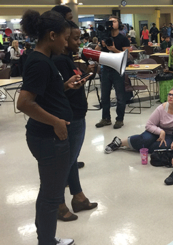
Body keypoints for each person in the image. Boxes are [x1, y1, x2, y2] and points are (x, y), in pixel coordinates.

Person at [17, 9, 83, 245]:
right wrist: (56, 122)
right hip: (48, 138)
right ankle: (46, 242)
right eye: (65, 38)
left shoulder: (43, 61)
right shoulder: (39, 63)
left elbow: (43, 95)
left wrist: (64, 86)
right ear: (52, 35)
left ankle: (47, 239)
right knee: (51, 195)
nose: (67, 43)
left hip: (48, 137)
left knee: (49, 191)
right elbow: (23, 103)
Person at [53, 20, 97, 222]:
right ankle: (58, 203)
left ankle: (78, 197)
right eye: (76, 38)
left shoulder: (67, 59)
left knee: (70, 161)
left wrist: (85, 74)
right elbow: (61, 90)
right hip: (72, 116)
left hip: (76, 114)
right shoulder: (61, 60)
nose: (79, 42)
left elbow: (71, 83)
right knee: (66, 162)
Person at [105, 86, 173, 154]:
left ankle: (143, 147)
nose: (170, 97)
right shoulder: (161, 108)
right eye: (169, 94)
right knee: (145, 140)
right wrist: (161, 132)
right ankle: (119, 142)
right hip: (156, 131)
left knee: (163, 146)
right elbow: (149, 124)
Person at [95, 15, 130, 129]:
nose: (111, 24)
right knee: (104, 96)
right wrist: (101, 45)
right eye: (109, 22)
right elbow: (96, 52)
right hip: (106, 69)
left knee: (120, 96)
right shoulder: (105, 37)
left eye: (113, 22)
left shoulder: (123, 39)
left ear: (118, 24)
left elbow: (126, 56)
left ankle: (119, 119)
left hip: (118, 70)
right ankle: (106, 118)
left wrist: (113, 49)